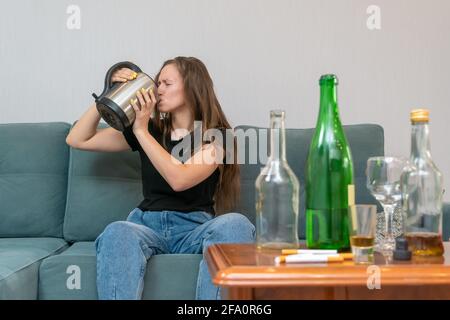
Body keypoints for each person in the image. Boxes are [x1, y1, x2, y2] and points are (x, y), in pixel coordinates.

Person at [65, 56, 255, 300]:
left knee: (236, 224)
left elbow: (179, 179)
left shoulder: (217, 136)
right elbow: (77, 139)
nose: (157, 89)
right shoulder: (150, 129)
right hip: (147, 225)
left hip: (195, 228)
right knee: (117, 231)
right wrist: (109, 93)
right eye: (157, 83)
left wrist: (141, 131)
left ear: (192, 87)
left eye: (167, 83)